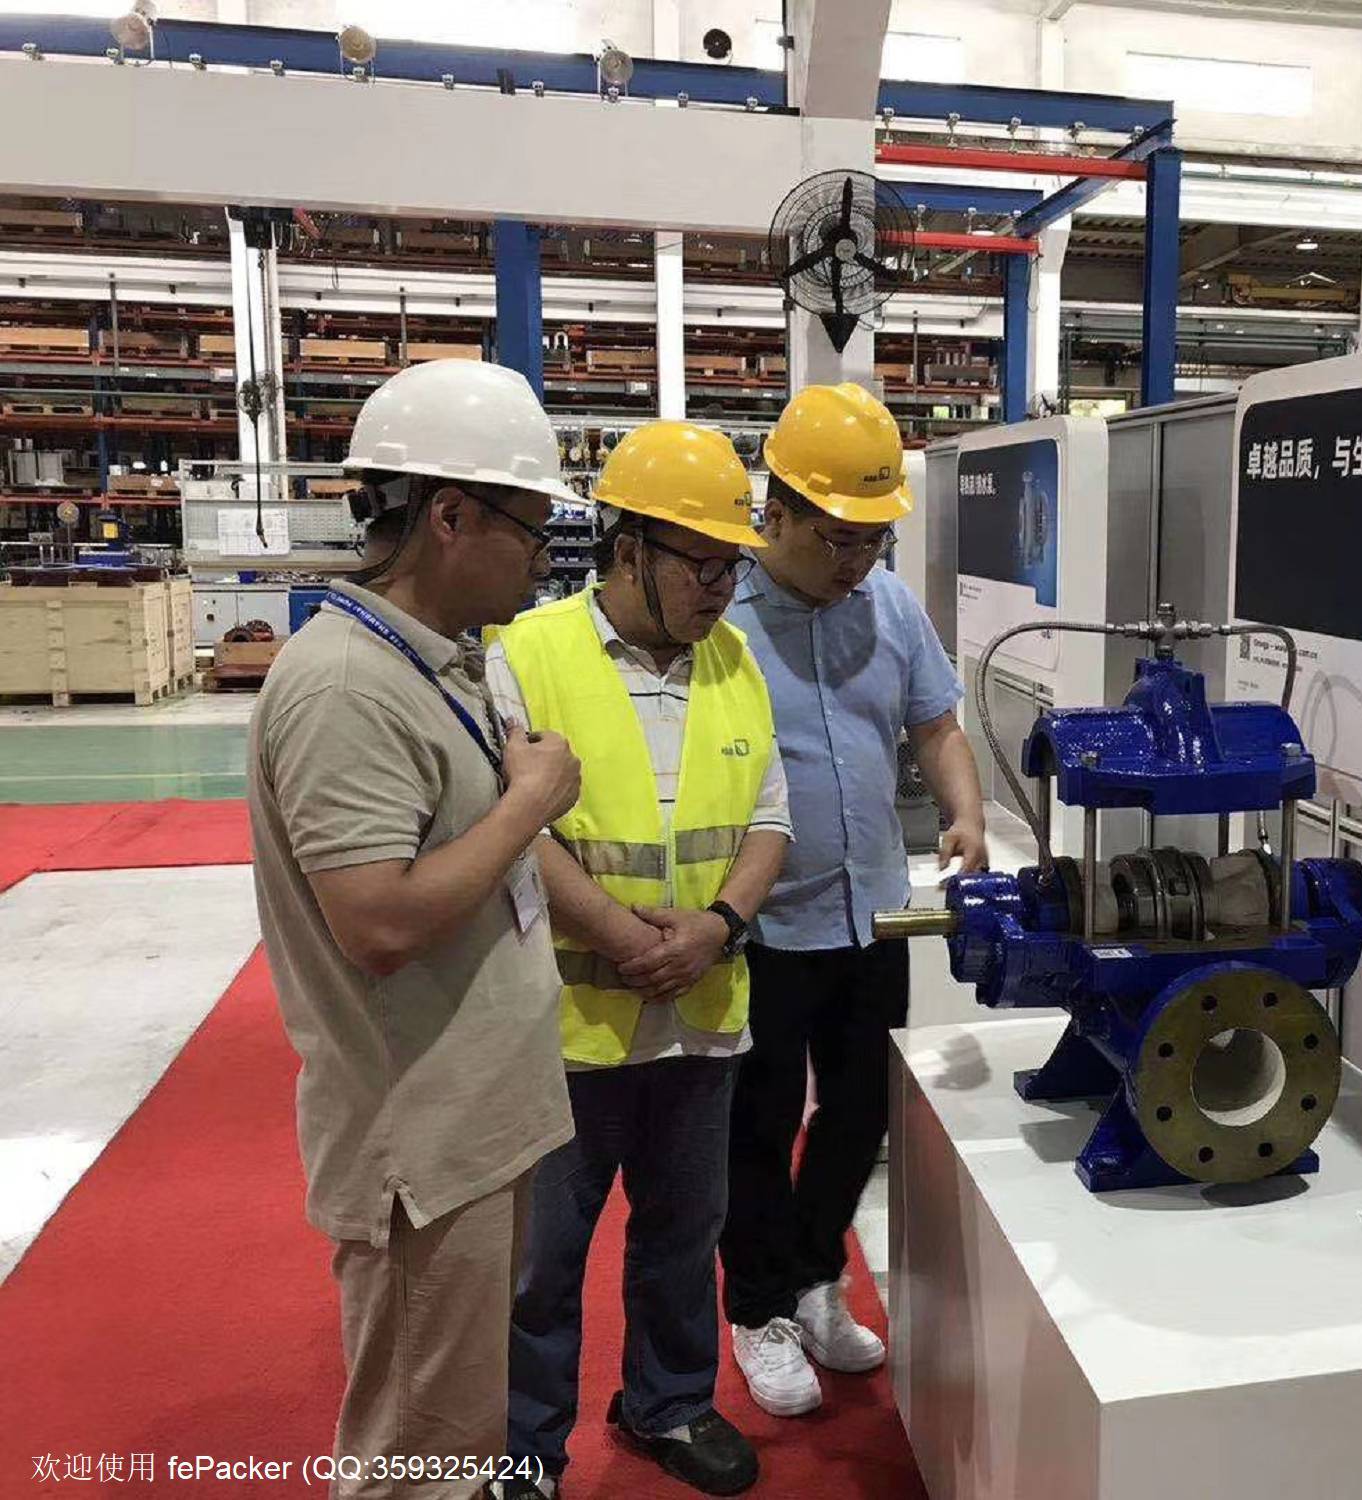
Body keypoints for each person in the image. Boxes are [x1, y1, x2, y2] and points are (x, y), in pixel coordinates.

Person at [247, 360, 582, 1500]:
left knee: (459, 1433)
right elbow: (378, 921)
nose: (542, 557)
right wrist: (530, 803)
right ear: (448, 515)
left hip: (471, 1121)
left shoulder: (433, 661)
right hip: (419, 1148)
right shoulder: (347, 687)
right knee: (416, 1460)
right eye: (529, 527)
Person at [484, 422, 791, 1499]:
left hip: (701, 1014)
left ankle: (669, 1403)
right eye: (701, 564)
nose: (721, 588)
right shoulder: (526, 654)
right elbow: (510, 829)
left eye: (732, 566)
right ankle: (524, 1448)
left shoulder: (736, 659)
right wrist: (619, 938)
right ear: (627, 551)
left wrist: (719, 926)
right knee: (540, 1259)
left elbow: (769, 819)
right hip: (567, 1030)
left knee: (683, 1233)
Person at [720, 382, 990, 1417]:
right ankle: (756, 1309)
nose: (857, 561)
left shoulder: (889, 604)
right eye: (839, 539)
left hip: (873, 908)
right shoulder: (723, 620)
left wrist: (965, 813)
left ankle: (812, 1277)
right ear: (776, 513)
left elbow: (936, 724)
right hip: (760, 921)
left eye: (874, 540)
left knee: (861, 1110)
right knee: (755, 1122)